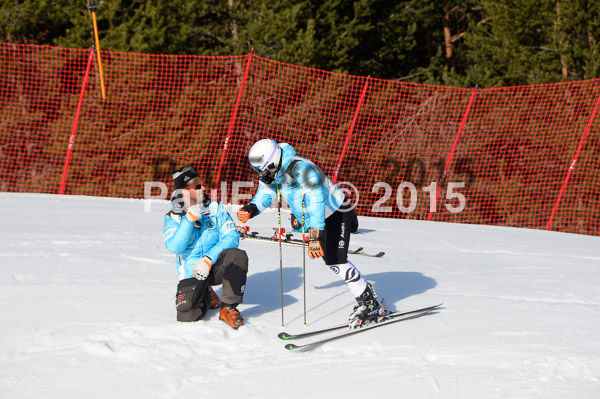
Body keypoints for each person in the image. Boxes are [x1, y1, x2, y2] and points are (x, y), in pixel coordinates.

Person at [237, 139, 388, 328]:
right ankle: (365, 291)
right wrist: (251, 208)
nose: (262, 175)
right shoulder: (274, 172)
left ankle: (370, 303)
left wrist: (314, 236)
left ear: (273, 162)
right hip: (314, 217)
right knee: (329, 258)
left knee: (335, 260)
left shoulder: (302, 169)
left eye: (263, 170)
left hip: (335, 212)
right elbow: (266, 193)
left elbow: (317, 201)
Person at [164, 166, 248, 328]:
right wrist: (188, 221)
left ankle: (228, 307)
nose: (203, 187)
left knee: (236, 255)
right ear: (185, 191)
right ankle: (207, 294)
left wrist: (209, 259)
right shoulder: (173, 216)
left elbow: (232, 236)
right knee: (187, 316)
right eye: (197, 186)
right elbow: (175, 247)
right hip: (192, 271)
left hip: (214, 265)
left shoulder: (215, 208)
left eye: (201, 184)